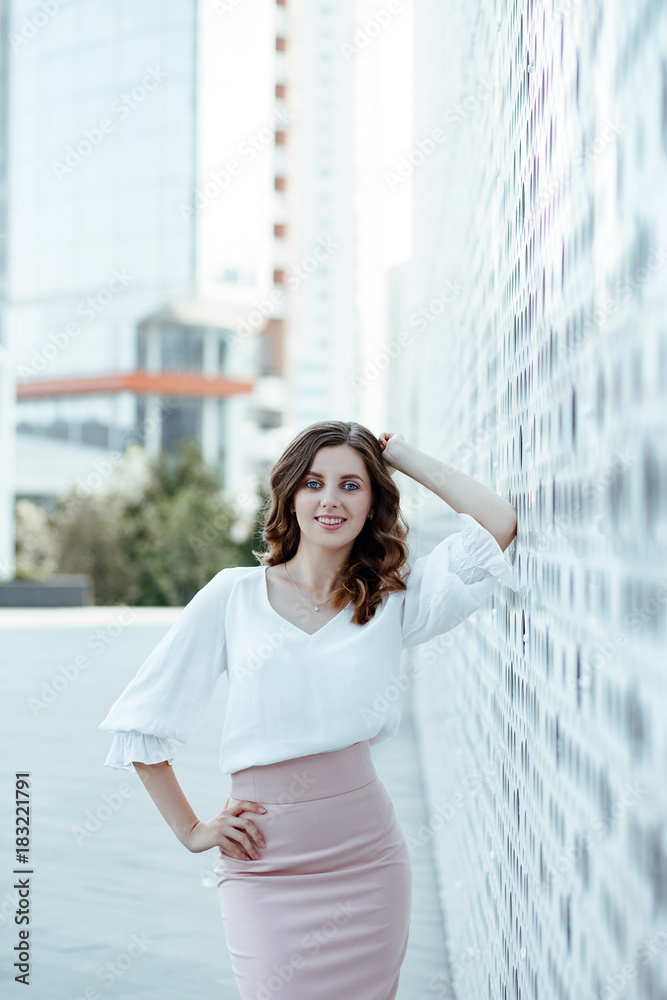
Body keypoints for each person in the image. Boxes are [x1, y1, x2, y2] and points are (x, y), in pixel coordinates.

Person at [98, 420, 518, 1000]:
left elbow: (498, 523)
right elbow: (142, 724)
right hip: (264, 867)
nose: (330, 499)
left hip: (368, 863)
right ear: (290, 494)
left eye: (352, 485)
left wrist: (401, 456)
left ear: (374, 502)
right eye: (314, 482)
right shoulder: (232, 595)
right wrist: (192, 830)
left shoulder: (393, 600)